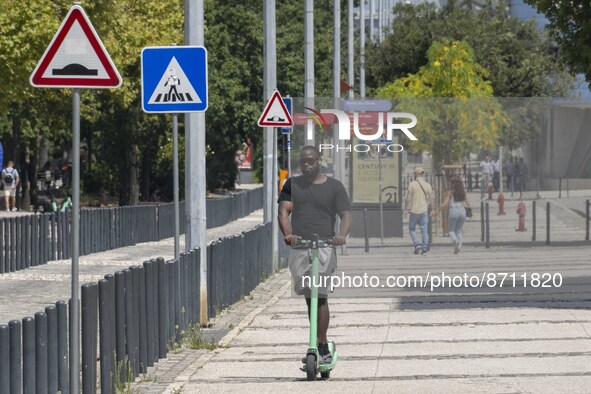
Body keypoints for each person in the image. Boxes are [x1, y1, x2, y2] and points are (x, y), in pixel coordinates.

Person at [278, 146, 352, 364]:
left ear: (320, 160)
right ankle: (318, 342)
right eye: (303, 161)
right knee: (309, 296)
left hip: (325, 245)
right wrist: (289, 234)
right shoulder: (293, 184)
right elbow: (284, 211)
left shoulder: (334, 186)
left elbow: (345, 214)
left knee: (320, 296)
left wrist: (341, 234)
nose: (307, 164)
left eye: (311, 160)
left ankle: (320, 344)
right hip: (301, 246)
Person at [431, 177, 471, 254]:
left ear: (452, 184)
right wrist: (469, 212)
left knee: (451, 230)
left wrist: (437, 211)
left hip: (453, 210)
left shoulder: (450, 192)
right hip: (462, 211)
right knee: (459, 231)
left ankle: (455, 241)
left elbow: (445, 204)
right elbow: (468, 203)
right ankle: (458, 249)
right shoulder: (463, 192)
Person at [404, 167, 433, 255]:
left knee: (411, 228)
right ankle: (424, 250)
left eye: (414, 173)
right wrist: (433, 209)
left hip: (414, 210)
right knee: (424, 229)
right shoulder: (427, 185)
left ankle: (416, 244)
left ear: (416, 174)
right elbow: (431, 198)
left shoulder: (412, 184)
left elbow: (408, 198)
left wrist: (406, 209)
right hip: (424, 210)